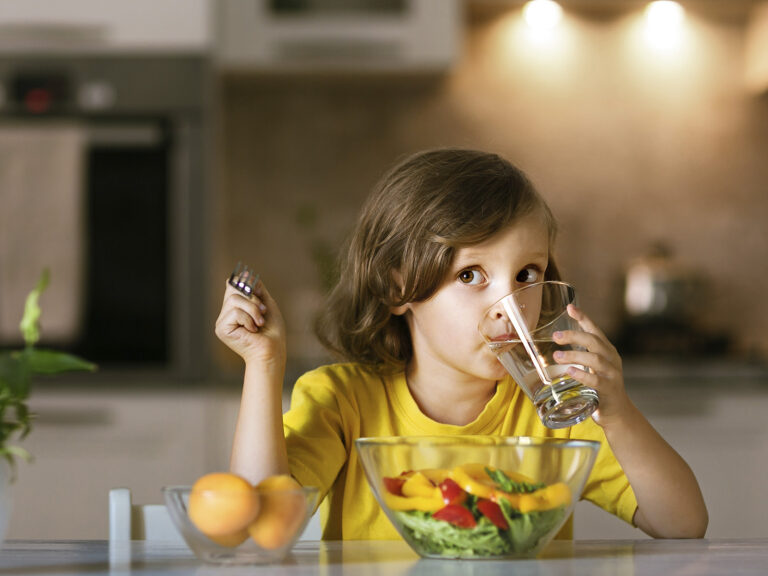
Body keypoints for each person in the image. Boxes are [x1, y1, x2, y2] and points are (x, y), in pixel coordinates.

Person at [215, 148, 708, 540]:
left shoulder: (551, 413)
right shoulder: (342, 403)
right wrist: (264, 363)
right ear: (397, 289)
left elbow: (682, 524)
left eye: (526, 274)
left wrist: (618, 412)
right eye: (471, 274)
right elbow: (260, 523)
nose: (509, 305)